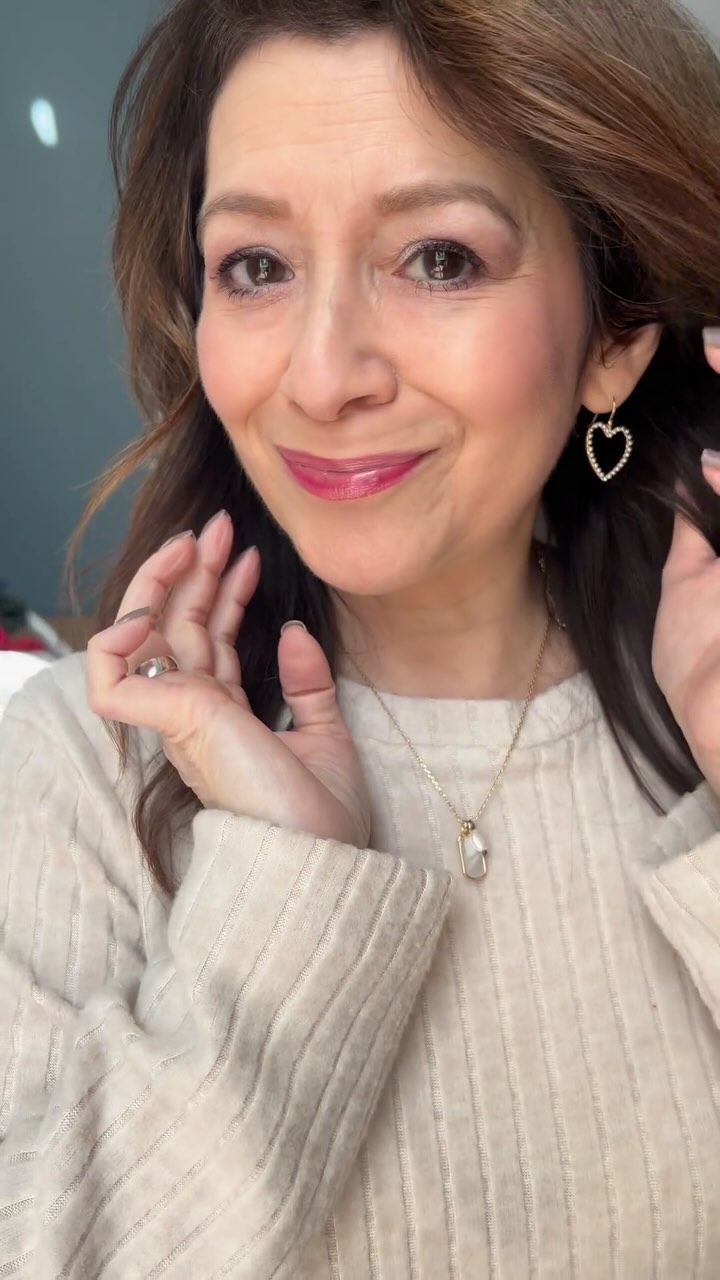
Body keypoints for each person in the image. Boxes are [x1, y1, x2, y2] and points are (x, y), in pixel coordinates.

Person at [2, 0, 720, 1274]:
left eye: (438, 258)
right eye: (256, 267)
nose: (323, 376)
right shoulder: (81, 774)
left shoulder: (702, 725)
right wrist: (283, 891)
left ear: (613, 336)